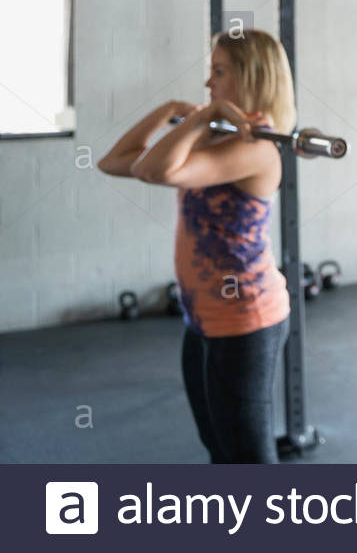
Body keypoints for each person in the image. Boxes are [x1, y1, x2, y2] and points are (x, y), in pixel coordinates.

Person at [98, 29, 296, 463]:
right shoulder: (213, 138)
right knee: (218, 447)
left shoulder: (259, 148)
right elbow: (114, 162)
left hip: (246, 320)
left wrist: (198, 120)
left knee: (247, 458)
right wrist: (169, 111)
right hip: (203, 317)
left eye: (219, 72)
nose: (208, 85)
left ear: (251, 77)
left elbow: (154, 171)